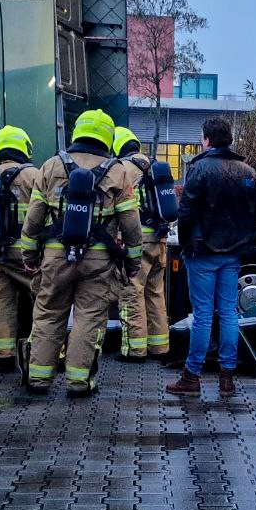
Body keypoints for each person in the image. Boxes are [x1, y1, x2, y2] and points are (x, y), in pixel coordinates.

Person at [20, 109, 141, 397]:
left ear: (79, 131)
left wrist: (29, 256)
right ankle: (79, 382)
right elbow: (131, 225)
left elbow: (33, 219)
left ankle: (38, 379)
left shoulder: (50, 166)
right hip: (98, 260)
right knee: (89, 318)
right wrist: (133, 261)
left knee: (48, 314)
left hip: (54, 256)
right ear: (107, 136)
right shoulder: (118, 171)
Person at [166, 117, 256, 398]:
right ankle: (227, 378)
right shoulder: (249, 172)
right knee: (230, 313)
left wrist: (186, 244)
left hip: (202, 252)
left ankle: (191, 376)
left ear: (206, 140)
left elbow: (185, 214)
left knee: (203, 315)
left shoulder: (199, 169)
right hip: (233, 253)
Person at [0, 125, 43, 373]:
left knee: (3, 301)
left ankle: (3, 354)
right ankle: (42, 352)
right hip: (26, 254)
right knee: (45, 299)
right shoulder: (34, 175)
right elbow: (45, 213)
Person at [113, 127, 171, 363]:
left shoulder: (121, 169)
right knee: (155, 293)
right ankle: (160, 347)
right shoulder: (154, 164)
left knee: (132, 291)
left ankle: (135, 349)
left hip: (139, 241)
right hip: (160, 239)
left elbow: (120, 209)